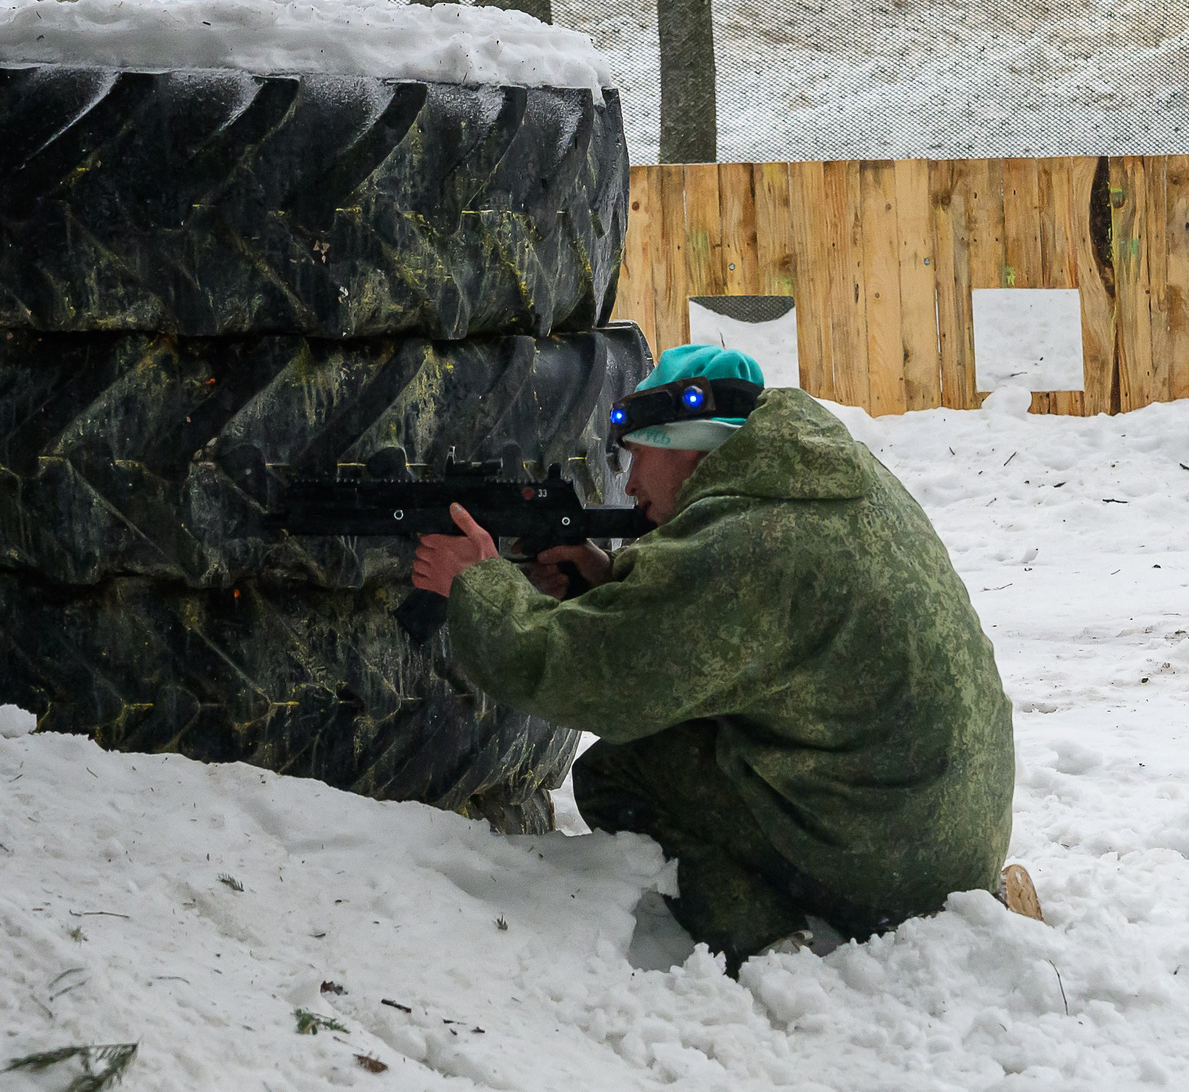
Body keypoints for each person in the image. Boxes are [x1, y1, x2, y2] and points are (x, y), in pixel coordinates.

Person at [412, 346, 1015, 970]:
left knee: (620, 774)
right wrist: (610, 581)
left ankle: (766, 944)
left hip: (896, 862)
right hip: (956, 824)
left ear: (688, 450)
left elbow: (582, 676)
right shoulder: (818, 475)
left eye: (639, 455)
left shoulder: (745, 544)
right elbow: (735, 634)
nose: (630, 483)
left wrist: (479, 584)